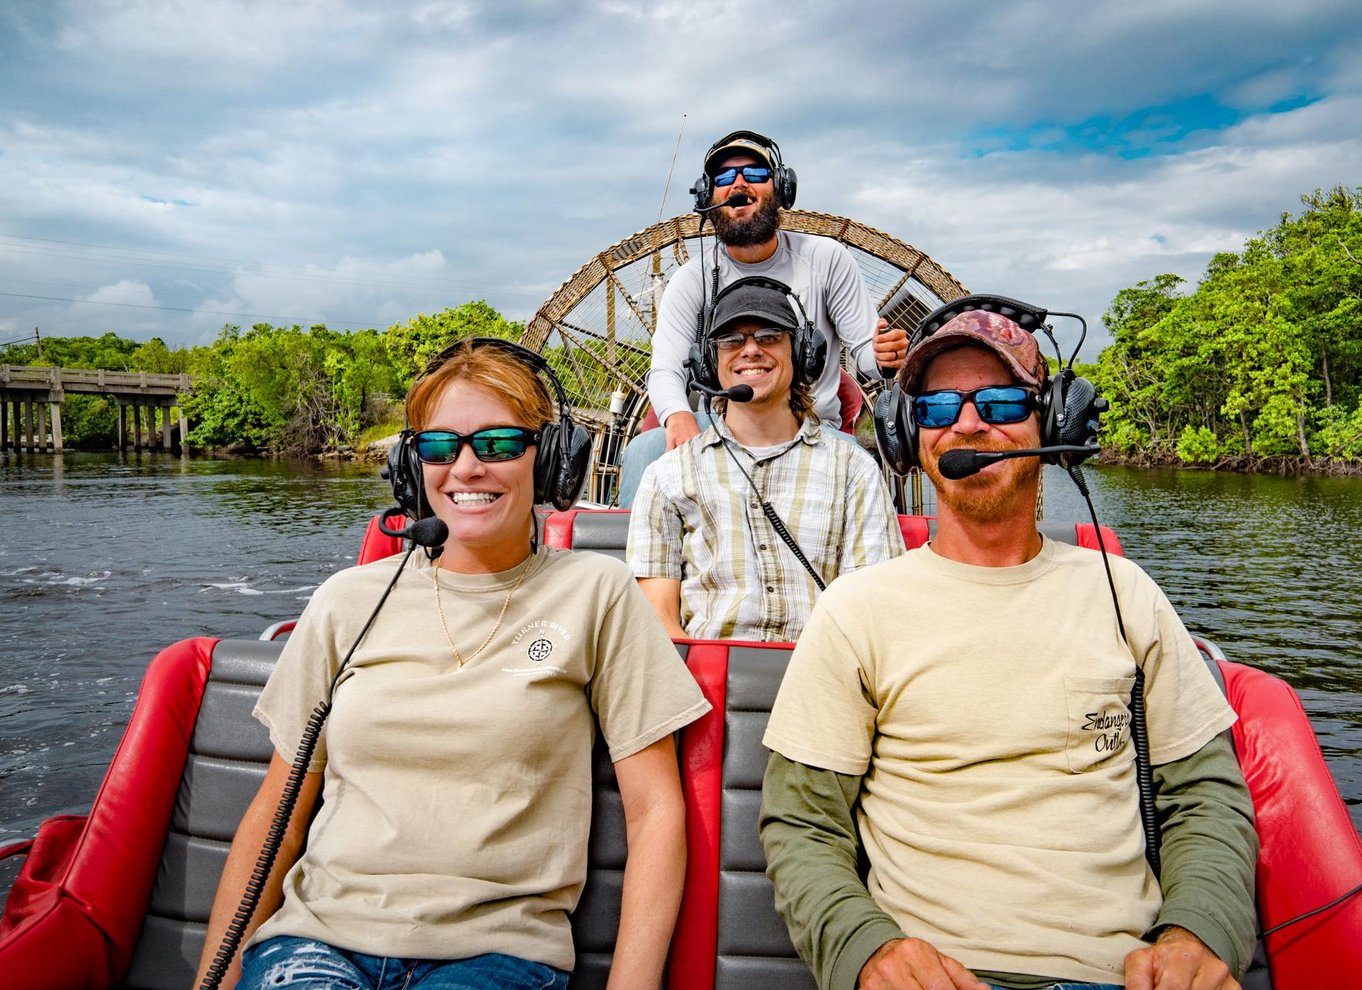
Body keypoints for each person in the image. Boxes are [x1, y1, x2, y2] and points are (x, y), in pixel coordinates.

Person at [758, 308, 1258, 990]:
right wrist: (868, 950)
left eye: (998, 402)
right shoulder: (855, 611)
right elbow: (801, 825)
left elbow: (1204, 796)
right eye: (936, 407)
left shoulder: (1124, 593)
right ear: (910, 434)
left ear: (1051, 424)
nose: (967, 425)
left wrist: (1198, 931)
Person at [196, 338, 711, 990]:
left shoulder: (598, 594)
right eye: (440, 448)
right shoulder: (347, 601)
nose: (466, 467)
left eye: (497, 444)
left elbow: (655, 813)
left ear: (550, 461)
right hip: (317, 941)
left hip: (497, 952)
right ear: (412, 471)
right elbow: (280, 810)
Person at [616, 128, 910, 507]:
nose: (738, 183)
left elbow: (867, 355)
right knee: (645, 451)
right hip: (722, 427)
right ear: (709, 196)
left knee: (860, 465)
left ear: (782, 188)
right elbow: (665, 368)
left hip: (813, 429)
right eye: (723, 178)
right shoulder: (691, 279)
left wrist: (883, 354)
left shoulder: (826, 259)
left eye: (754, 173)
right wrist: (676, 417)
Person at [626, 277, 903, 642]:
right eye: (732, 340)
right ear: (710, 363)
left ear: (803, 354)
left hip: (823, 676)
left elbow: (870, 609)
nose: (751, 350)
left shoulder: (853, 470)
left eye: (770, 336)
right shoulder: (667, 475)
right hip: (705, 682)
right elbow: (657, 620)